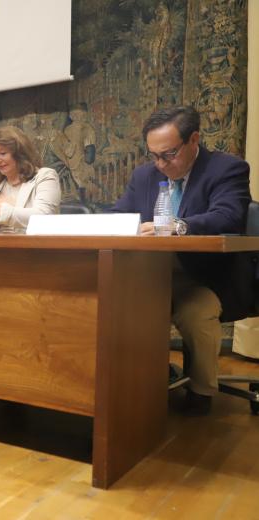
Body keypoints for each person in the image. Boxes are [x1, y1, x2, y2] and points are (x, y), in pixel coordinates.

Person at [111, 106, 253, 414]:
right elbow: (121, 214)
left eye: (169, 154)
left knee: (194, 311)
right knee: (115, 302)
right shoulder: (145, 175)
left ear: (194, 140)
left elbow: (228, 216)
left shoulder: (227, 168)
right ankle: (142, 378)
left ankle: (201, 391)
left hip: (209, 275)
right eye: (154, 155)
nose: (161, 164)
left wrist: (177, 226)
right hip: (152, 274)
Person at [0, 126, 61, 233]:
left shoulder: (45, 176)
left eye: (2, 153)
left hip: (32, 247)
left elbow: (44, 216)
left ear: (20, 153)